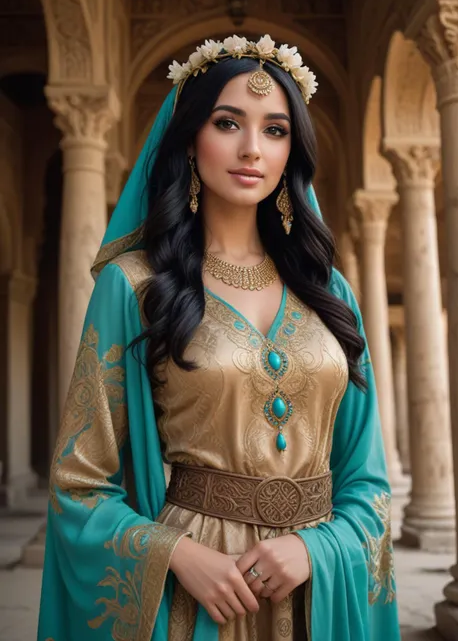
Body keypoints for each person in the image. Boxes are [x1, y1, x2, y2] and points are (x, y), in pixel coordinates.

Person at [37, 34, 400, 641]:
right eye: (228, 122)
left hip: (316, 592)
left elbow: (367, 479)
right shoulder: (135, 288)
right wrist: (175, 554)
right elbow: (79, 485)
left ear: (293, 151)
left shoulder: (329, 289)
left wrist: (318, 549)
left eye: (276, 130)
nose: (252, 148)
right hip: (199, 595)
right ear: (189, 140)